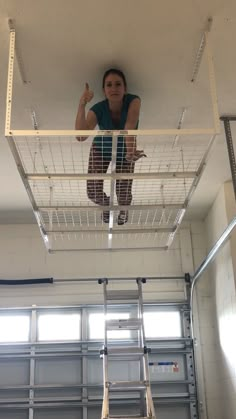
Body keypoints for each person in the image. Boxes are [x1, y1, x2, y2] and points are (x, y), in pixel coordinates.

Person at [75, 68, 145, 225]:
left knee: (124, 194)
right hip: (101, 150)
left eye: (118, 84)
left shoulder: (134, 101)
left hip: (125, 152)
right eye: (109, 85)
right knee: (92, 192)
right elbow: (81, 136)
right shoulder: (99, 109)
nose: (114, 88)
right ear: (104, 90)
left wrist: (130, 152)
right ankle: (106, 205)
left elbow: (129, 125)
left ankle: (123, 210)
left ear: (125, 88)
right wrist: (82, 104)